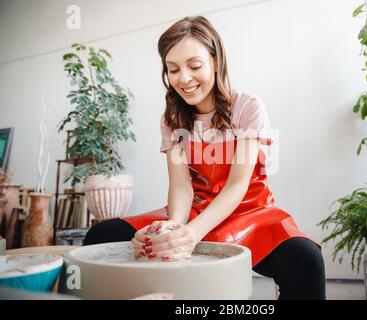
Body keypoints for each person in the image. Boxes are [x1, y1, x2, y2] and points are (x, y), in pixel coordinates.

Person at [84, 16, 326, 300]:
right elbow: (181, 187)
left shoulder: (248, 106)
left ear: (215, 60)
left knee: (306, 260)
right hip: (193, 210)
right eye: (173, 69)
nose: (183, 79)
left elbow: (237, 186)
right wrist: (175, 228)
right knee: (101, 235)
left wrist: (191, 235)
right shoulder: (172, 119)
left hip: (249, 213)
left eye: (194, 66)